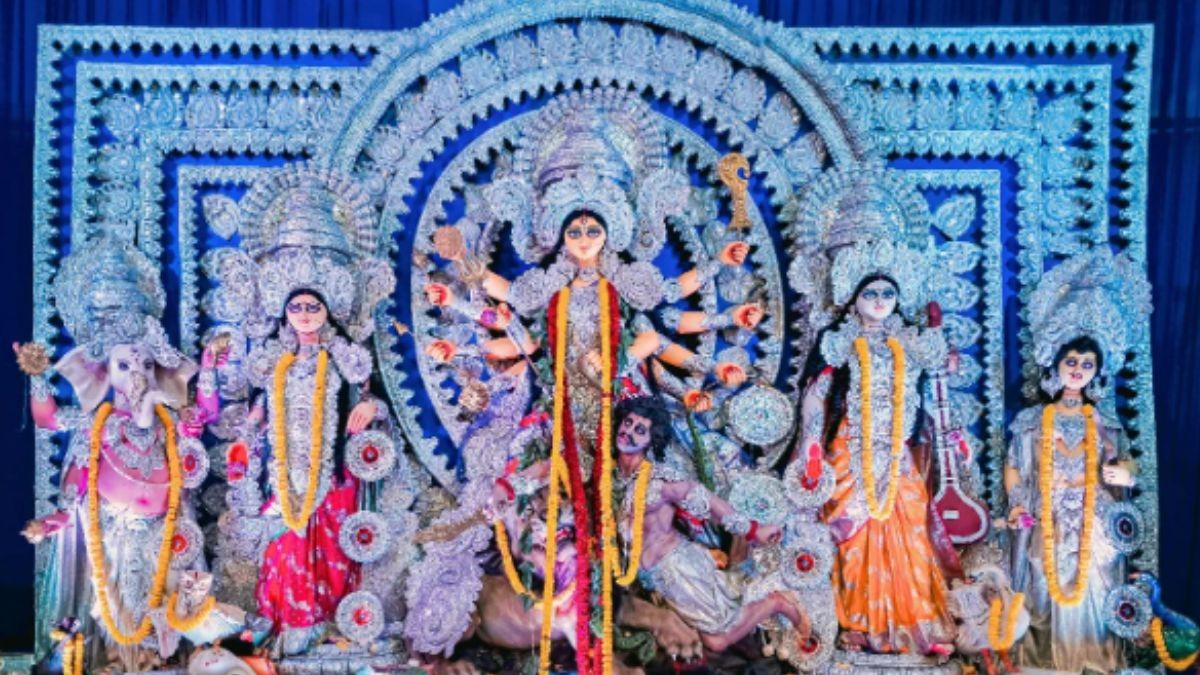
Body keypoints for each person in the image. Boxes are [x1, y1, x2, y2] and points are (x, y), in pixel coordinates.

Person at [1005, 248, 1150, 672]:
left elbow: (1128, 465)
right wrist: (1017, 502)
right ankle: (1044, 662)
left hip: (1093, 518)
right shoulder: (1033, 419)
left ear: (1097, 371)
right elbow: (1015, 465)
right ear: (1055, 364)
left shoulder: (1105, 423)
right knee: (1042, 583)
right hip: (1046, 513)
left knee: (1094, 584)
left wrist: (1124, 473)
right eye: (1071, 361)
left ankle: (1093, 658)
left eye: (1087, 364)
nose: (1078, 370)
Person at [607, 396, 811, 655]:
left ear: (651, 440)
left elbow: (708, 502)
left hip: (678, 570)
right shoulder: (612, 478)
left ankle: (777, 602)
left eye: (640, 430)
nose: (628, 432)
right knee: (711, 640)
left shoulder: (658, 480)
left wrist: (753, 530)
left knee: (717, 641)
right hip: (652, 580)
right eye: (627, 423)